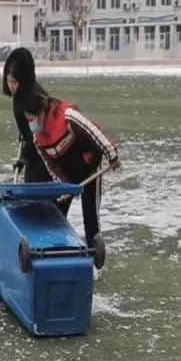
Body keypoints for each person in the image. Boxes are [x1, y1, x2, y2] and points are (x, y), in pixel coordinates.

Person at [20, 91, 120, 270]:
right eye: (28, 121)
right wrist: (62, 185)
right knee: (57, 215)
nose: (31, 124)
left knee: (90, 214)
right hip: (68, 177)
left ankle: (94, 260)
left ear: (41, 113)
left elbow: (94, 131)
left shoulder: (68, 116)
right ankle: (53, 255)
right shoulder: (38, 139)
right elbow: (51, 166)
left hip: (90, 169)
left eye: (32, 119)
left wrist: (111, 154)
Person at [1, 47, 50, 183]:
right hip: (35, 157)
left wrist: (23, 157)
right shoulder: (21, 95)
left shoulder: (31, 99)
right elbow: (27, 134)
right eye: (9, 81)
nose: (11, 86)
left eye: (14, 82)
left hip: (43, 161)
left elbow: (36, 137)